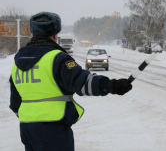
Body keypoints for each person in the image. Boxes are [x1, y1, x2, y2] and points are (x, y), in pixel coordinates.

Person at [9, 12, 132, 151]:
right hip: (54, 128)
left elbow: (15, 103)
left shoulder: (17, 64)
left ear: (33, 35)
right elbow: (82, 82)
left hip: (27, 129)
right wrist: (111, 86)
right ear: (55, 36)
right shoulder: (57, 58)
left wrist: (30, 118)